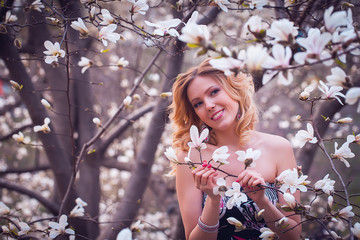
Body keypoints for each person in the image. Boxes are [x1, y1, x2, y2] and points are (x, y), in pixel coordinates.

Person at [169, 58, 302, 240]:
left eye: (214, 92)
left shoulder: (279, 148)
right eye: (198, 103)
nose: (208, 105)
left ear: (234, 89)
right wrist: (213, 200)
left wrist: (262, 200)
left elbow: (294, 235)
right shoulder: (191, 157)